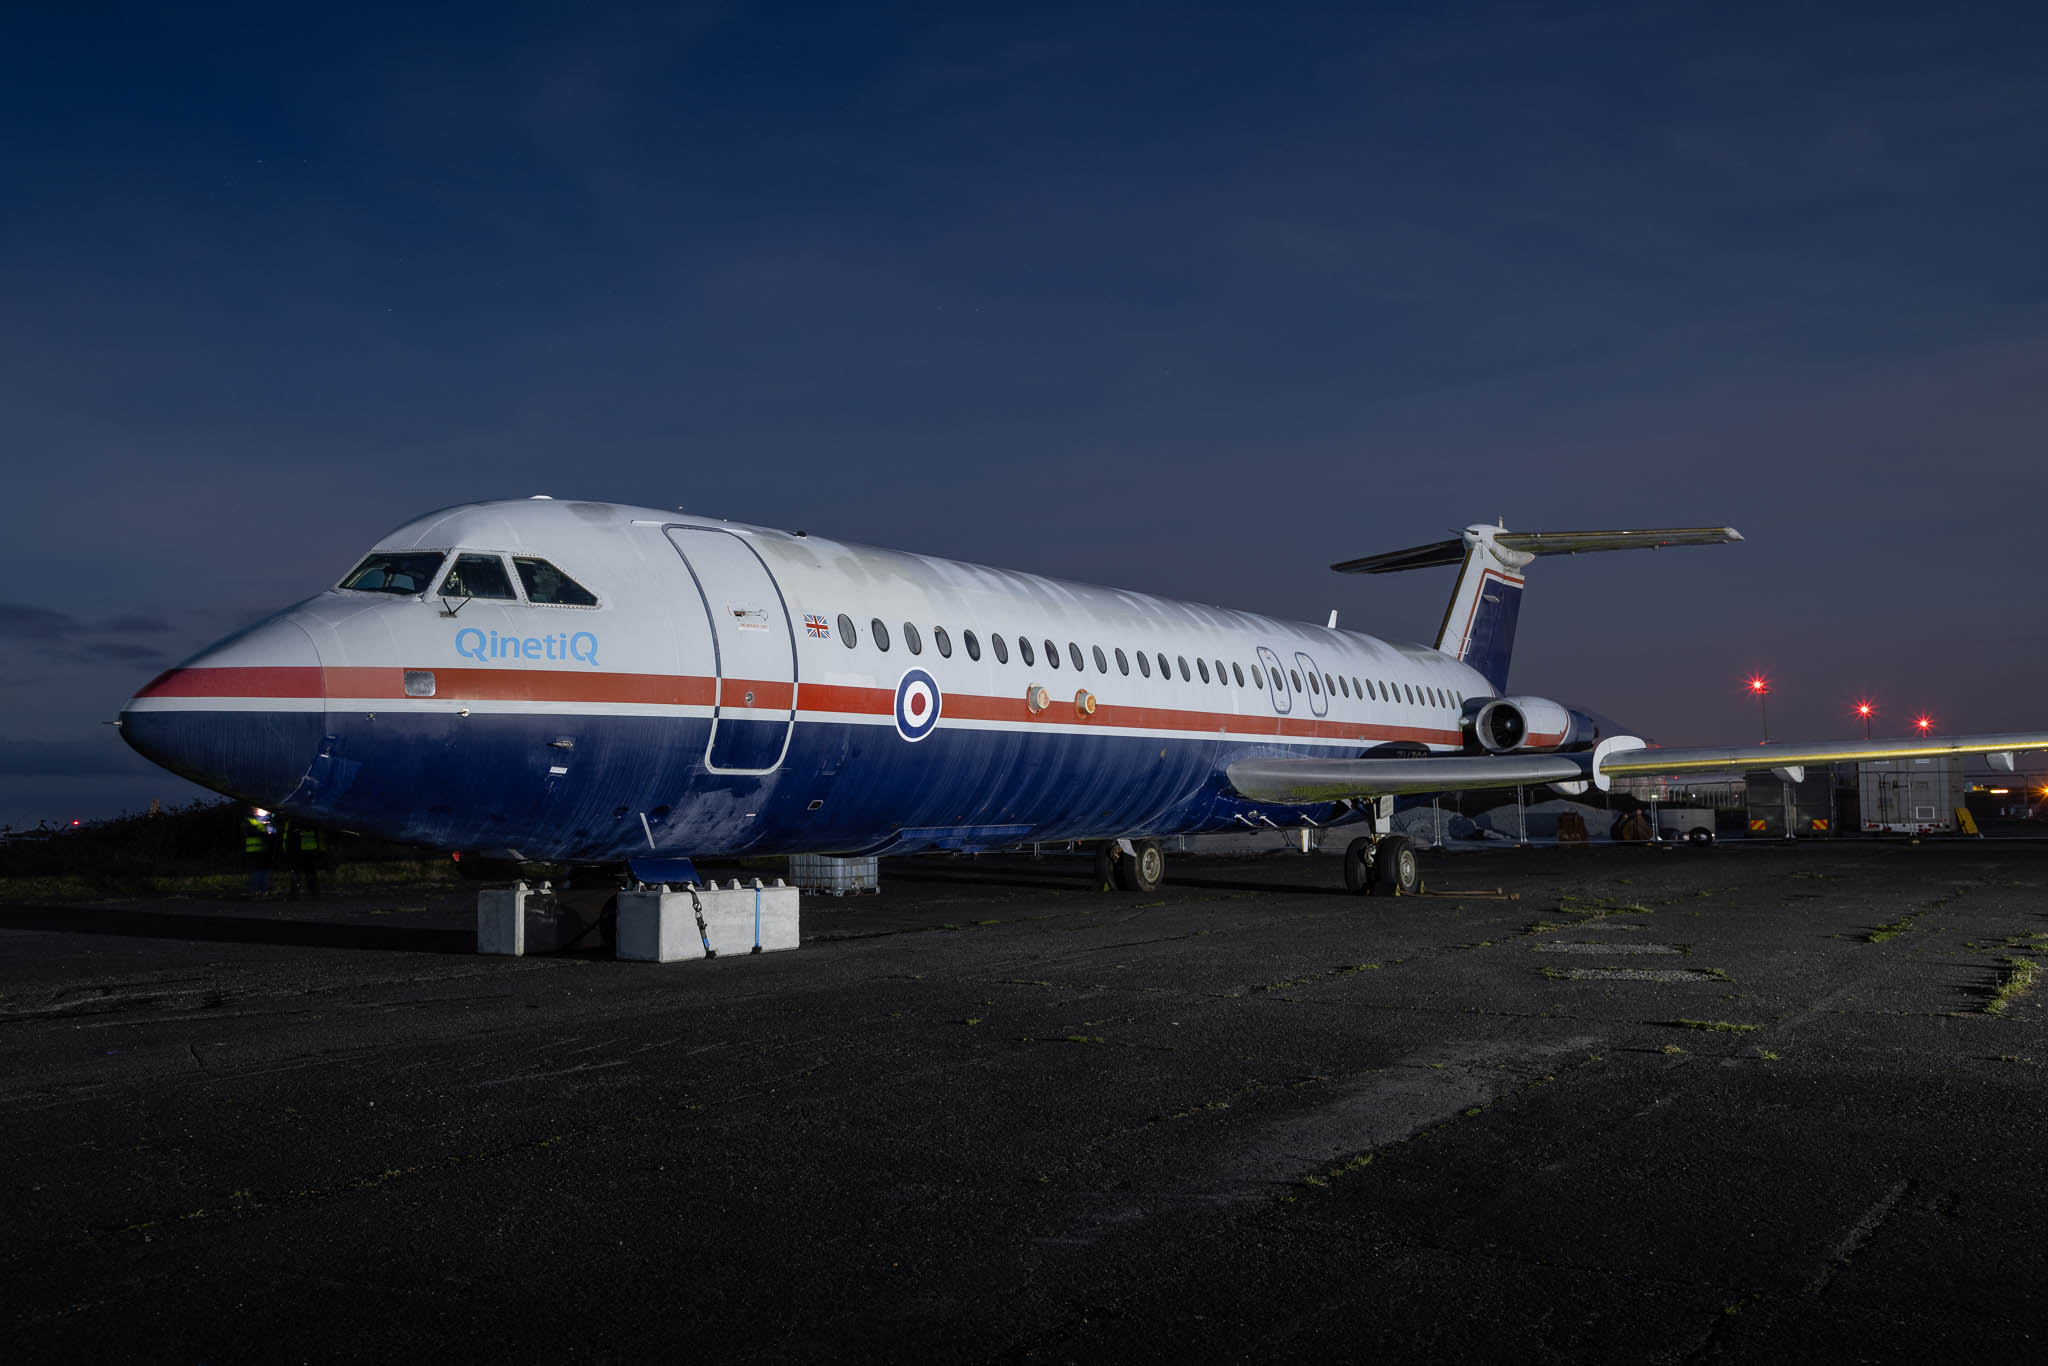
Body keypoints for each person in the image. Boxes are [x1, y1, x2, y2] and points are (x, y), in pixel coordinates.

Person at [285, 822, 323, 901]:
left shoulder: (295, 826)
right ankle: (313, 893)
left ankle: (296, 894)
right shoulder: (311, 824)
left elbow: (290, 839)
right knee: (309, 874)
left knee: (299, 873)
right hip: (309, 852)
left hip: (300, 852)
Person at [243, 807, 276, 895]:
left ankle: (264, 891)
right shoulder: (250, 821)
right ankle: (255, 891)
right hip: (254, 851)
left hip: (266, 851)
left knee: (265, 871)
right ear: (255, 811)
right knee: (256, 872)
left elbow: (274, 833)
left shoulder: (269, 821)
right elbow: (252, 831)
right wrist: (265, 829)